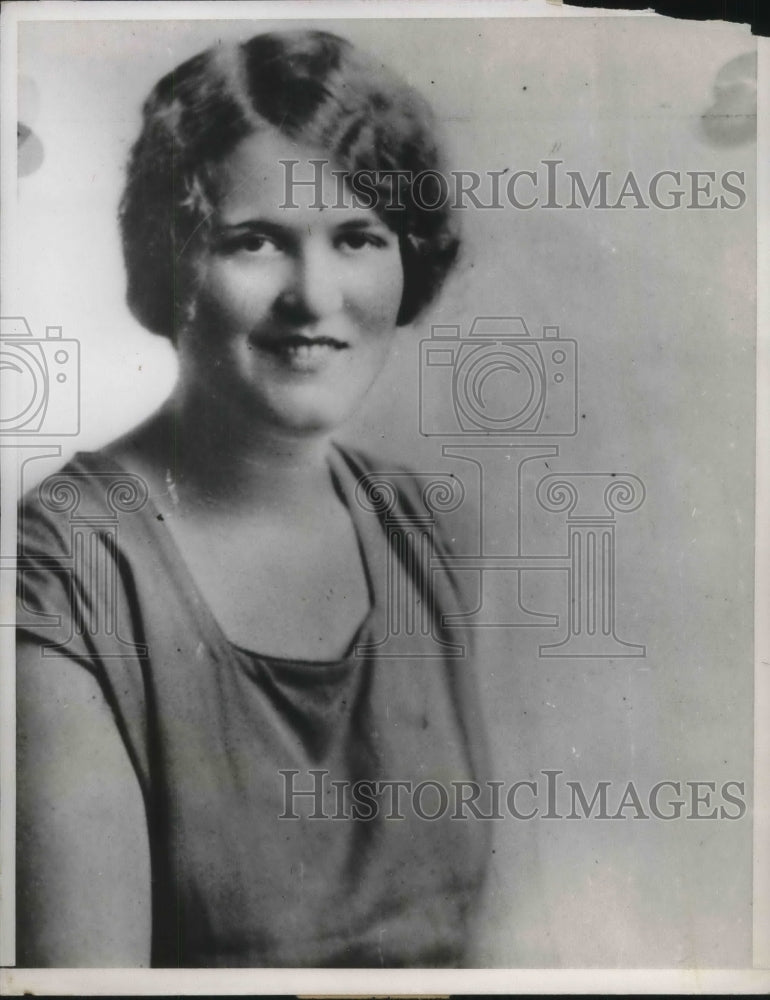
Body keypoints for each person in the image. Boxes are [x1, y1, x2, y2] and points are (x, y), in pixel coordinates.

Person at [16, 29, 490, 968]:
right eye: (257, 240)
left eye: (357, 237)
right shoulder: (66, 567)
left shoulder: (425, 529)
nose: (314, 297)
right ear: (175, 261)